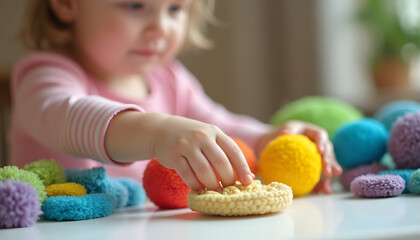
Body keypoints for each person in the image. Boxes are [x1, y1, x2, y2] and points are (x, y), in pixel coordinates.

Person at [10, 0, 341, 194]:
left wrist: (271, 139)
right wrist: (157, 132)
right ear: (66, 3)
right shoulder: (44, 73)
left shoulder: (169, 78)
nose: (161, 28)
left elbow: (219, 125)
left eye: (174, 8)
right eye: (135, 5)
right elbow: (64, 116)